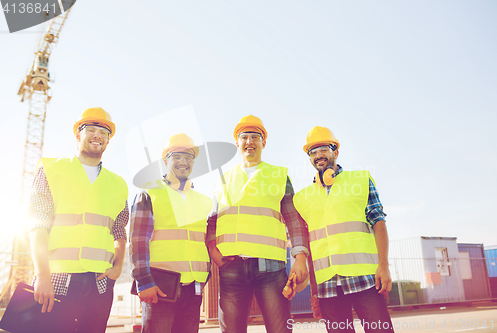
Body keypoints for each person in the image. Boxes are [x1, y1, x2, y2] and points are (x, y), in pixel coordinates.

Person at [27, 107, 129, 333]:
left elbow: (119, 229)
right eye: (91, 129)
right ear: (78, 135)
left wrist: (118, 266)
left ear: (108, 141)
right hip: (58, 279)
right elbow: (37, 224)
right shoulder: (52, 169)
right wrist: (42, 275)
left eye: (104, 133)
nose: (97, 136)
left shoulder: (118, 184)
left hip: (100, 284)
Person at [206, 115, 309, 333]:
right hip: (231, 268)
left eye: (255, 137)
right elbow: (213, 220)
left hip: (270, 268)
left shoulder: (279, 176)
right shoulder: (223, 180)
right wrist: (212, 249)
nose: (249, 142)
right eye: (245, 137)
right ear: (237, 143)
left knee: (280, 329)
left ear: (264, 142)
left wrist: (300, 258)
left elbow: (294, 220)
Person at [293, 126, 394, 333]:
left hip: (365, 278)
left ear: (335, 152)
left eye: (323, 149)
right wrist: (314, 292)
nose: (318, 155)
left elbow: (379, 222)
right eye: (312, 152)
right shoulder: (302, 198)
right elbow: (310, 246)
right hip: (327, 285)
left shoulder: (361, 180)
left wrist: (383, 266)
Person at [130, 133, 212, 333]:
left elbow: (201, 242)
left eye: (188, 157)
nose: (183, 162)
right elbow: (138, 240)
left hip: (193, 288)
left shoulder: (202, 200)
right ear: (165, 160)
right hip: (160, 288)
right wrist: (144, 281)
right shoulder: (150, 192)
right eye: (177, 156)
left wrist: (203, 278)